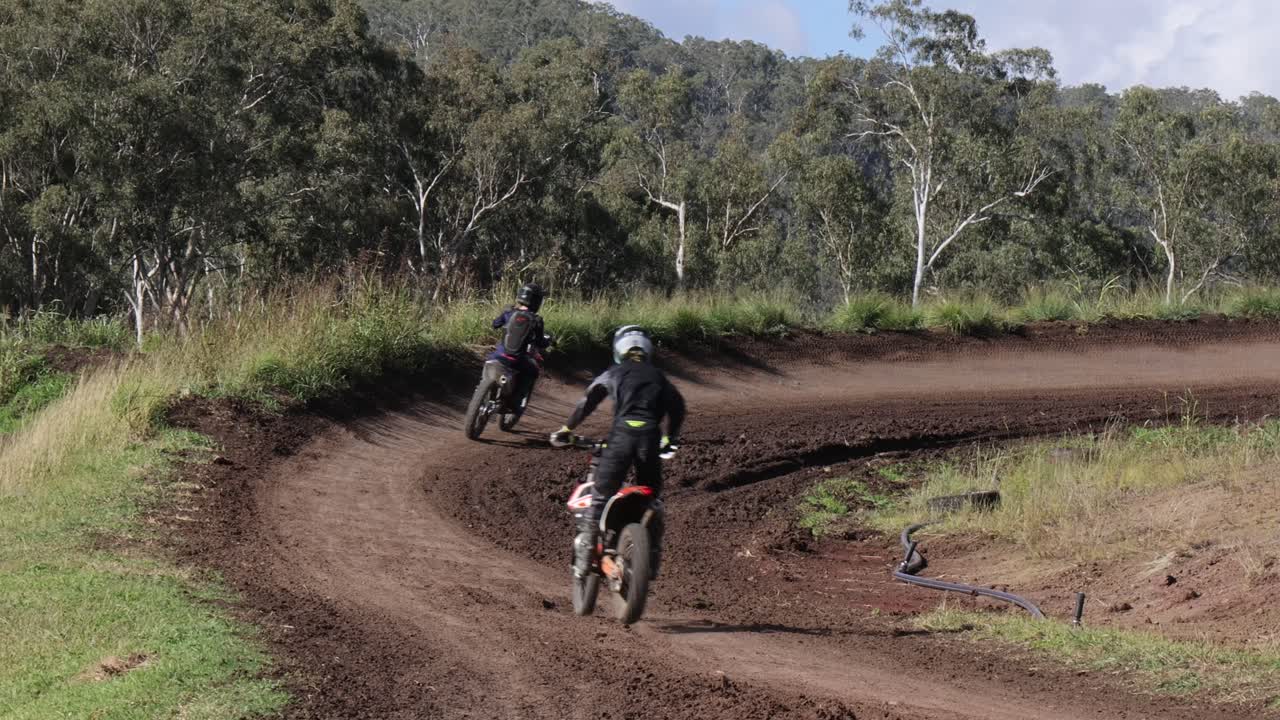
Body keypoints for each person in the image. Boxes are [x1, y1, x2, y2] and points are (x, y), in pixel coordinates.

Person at [551, 326, 686, 578]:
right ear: (647, 351)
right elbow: (678, 407)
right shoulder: (659, 377)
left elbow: (588, 400)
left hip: (621, 437)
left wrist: (566, 428)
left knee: (601, 493)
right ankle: (652, 554)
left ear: (618, 351)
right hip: (649, 439)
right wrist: (670, 438)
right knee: (652, 499)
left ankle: (585, 556)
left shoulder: (614, 372)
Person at [489, 283, 552, 412]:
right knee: (533, 371)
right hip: (517, 359)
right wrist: (548, 342)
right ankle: (514, 402)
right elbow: (540, 342)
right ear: (537, 301)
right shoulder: (536, 320)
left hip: (498, 355)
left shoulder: (509, 312)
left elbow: (495, 324)